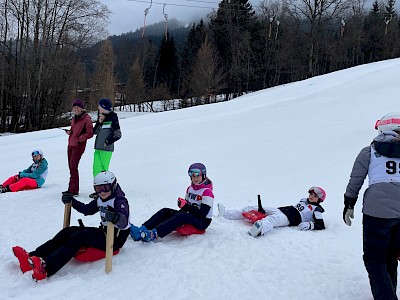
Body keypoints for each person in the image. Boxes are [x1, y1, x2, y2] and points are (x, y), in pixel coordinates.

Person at [12, 171, 130, 281]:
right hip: (104, 232)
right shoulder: (101, 199)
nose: (102, 192)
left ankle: (46, 267)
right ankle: (33, 257)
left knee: (79, 236)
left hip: (115, 238)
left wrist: (116, 218)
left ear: (113, 186)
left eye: (106, 188)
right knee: (67, 232)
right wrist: (72, 201)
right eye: (98, 189)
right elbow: (87, 210)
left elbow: (124, 221)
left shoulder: (119, 201)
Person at [343, 112, 400, 300]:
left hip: (376, 212)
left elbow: (356, 180)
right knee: (392, 257)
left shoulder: (369, 151)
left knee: (375, 260)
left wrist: (349, 203)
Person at [130, 163, 214, 242]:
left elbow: (202, 214)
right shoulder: (190, 189)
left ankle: (153, 234)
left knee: (182, 216)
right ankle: (142, 229)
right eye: (193, 176)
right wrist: (182, 207)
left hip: (202, 222)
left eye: (197, 176)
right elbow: (187, 207)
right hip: (191, 216)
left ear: (203, 175)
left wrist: (185, 206)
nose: (195, 179)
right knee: (166, 211)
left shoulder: (207, 192)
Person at [218, 186, 326, 237]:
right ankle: (227, 214)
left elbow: (321, 224)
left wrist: (310, 225)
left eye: (314, 196)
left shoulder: (317, 210)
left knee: (271, 220)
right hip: (280, 210)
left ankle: (259, 229)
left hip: (288, 219)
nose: (311, 197)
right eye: (311, 194)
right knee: (254, 208)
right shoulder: (303, 200)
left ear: (320, 199)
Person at [90, 98, 121, 198]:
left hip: (106, 149)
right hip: (98, 148)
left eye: (99, 106)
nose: (98, 107)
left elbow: (118, 134)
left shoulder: (113, 117)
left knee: (104, 170)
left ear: (104, 107)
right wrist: (99, 122)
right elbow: (94, 132)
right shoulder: (101, 117)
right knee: (96, 169)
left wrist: (107, 141)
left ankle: (105, 190)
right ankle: (98, 190)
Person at [62, 99, 94, 196]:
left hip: (78, 146)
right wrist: (70, 132)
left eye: (78, 107)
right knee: (71, 167)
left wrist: (79, 139)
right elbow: (74, 130)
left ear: (82, 109)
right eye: (74, 107)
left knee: (73, 167)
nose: (76, 109)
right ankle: (71, 188)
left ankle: (73, 190)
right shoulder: (74, 118)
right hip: (71, 144)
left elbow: (90, 133)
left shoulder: (86, 119)